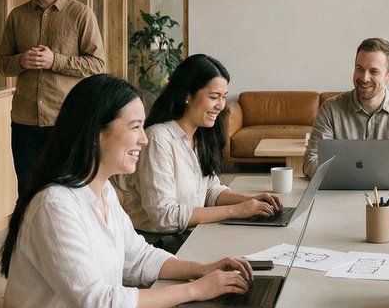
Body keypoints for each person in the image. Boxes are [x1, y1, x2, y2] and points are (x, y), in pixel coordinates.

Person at [0, 74, 254, 308]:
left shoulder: (100, 191)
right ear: (96, 132)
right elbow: (99, 307)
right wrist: (195, 289)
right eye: (134, 127)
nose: (144, 139)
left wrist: (202, 269)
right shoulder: (55, 204)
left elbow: (138, 258)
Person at [117, 54, 281, 252]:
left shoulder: (201, 136)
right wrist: (235, 211)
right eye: (213, 97)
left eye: (223, 96)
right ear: (187, 94)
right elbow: (163, 217)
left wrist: (250, 200)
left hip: (190, 234)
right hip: (159, 244)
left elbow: (210, 190)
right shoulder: (157, 139)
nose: (220, 105)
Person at [0, 0, 107, 197]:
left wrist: (54, 61)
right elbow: (2, 63)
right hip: (24, 123)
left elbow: (97, 64)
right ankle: (27, 238)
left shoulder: (81, 15)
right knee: (27, 192)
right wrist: (22, 61)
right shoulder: (17, 16)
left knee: (66, 192)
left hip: (65, 121)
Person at [302, 37, 389, 181]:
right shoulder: (331, 109)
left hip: (388, 194)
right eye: (359, 69)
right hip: (340, 189)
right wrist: (343, 174)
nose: (364, 78)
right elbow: (311, 159)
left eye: (374, 71)